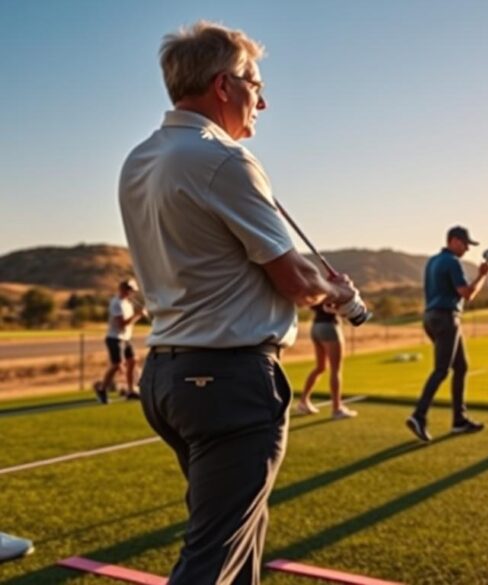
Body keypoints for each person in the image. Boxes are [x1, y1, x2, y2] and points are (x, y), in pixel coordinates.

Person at [119, 21, 358, 585]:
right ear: (224, 85)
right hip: (228, 381)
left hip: (169, 378)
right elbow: (295, 279)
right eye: (256, 82)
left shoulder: (138, 158)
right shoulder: (223, 160)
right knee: (213, 557)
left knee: (237, 540)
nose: (264, 100)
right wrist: (339, 294)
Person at [406, 226, 488, 442]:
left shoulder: (433, 261)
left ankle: (459, 420)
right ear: (453, 241)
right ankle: (419, 416)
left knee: (461, 367)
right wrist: (482, 276)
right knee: (442, 370)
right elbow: (467, 294)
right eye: (464, 244)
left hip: (431, 317)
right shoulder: (452, 262)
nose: (466, 249)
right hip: (446, 318)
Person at [296, 302, 357, 419]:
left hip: (316, 326)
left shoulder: (317, 287)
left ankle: (303, 402)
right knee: (336, 369)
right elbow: (334, 308)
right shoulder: (331, 286)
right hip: (329, 327)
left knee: (321, 367)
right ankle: (337, 409)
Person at [93, 279, 146, 403]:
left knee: (132, 361)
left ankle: (130, 390)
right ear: (123, 289)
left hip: (126, 338)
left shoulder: (127, 304)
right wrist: (138, 315)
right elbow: (121, 324)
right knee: (117, 365)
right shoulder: (116, 303)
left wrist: (138, 315)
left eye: (132, 291)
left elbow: (128, 324)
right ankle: (102, 389)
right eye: (129, 290)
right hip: (114, 338)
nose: (131, 293)